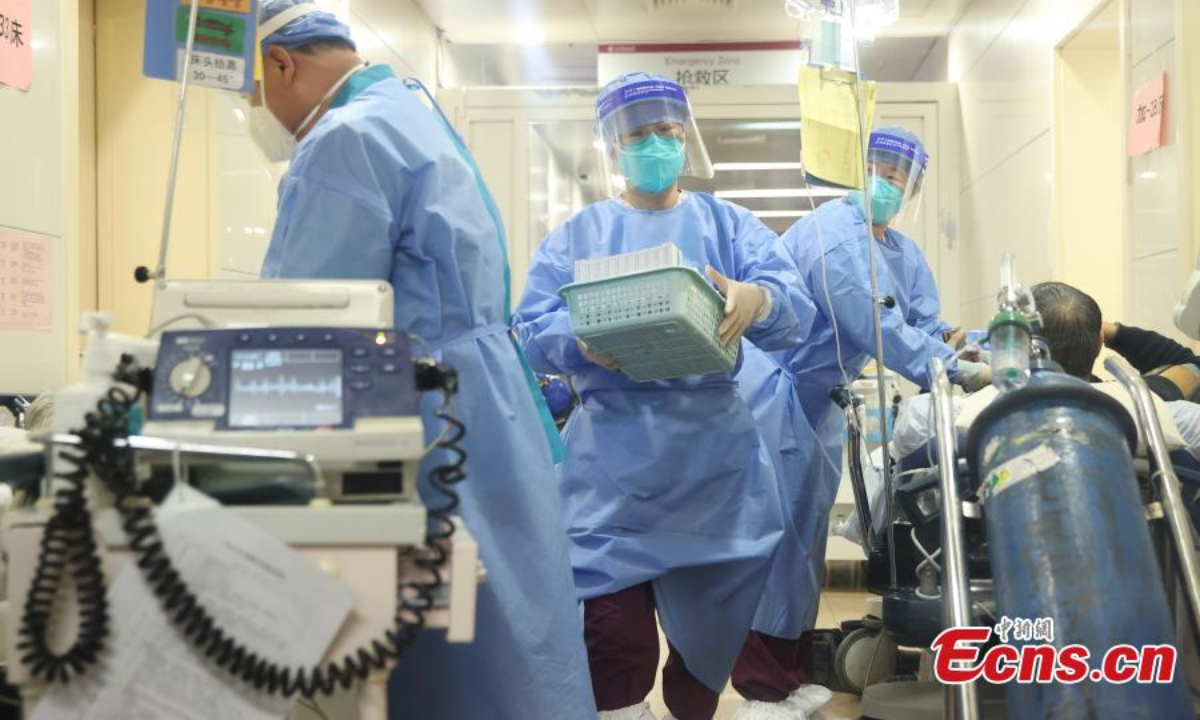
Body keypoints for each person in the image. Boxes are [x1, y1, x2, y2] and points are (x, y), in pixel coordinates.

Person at [251, 3, 597, 718]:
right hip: (485, 415)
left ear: (281, 64)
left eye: (253, 94)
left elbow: (301, 332)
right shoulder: (409, 112)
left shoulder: (344, 139)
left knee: (459, 666)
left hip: (431, 428)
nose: (261, 115)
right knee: (521, 639)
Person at [513, 72, 811, 720]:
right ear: (614, 147)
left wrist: (758, 298)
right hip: (613, 466)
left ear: (686, 138)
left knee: (707, 644)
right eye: (639, 134)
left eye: (668, 132)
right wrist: (578, 336)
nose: (655, 144)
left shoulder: (728, 225)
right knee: (610, 637)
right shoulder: (577, 237)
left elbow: (797, 313)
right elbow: (527, 334)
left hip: (715, 470)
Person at [728, 126, 989, 715]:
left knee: (802, 548)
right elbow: (881, 331)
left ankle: (791, 676)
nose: (889, 185)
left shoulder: (899, 250)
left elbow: (926, 325)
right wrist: (951, 371)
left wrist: (978, 350)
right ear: (856, 170)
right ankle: (759, 690)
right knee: (770, 547)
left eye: (901, 179)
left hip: (817, 403)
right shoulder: (834, 238)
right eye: (882, 171)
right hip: (776, 396)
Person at [893, 281, 1200, 461]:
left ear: (1017, 345)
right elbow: (1191, 364)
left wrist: (956, 373)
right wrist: (1106, 331)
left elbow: (910, 455)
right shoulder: (1159, 416)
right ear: (1098, 344)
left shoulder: (947, 416)